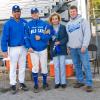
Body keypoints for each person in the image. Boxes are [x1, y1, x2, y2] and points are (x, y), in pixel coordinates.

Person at [1, 5, 28, 94]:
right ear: (12, 13)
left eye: (18, 11)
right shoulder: (8, 23)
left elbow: (28, 35)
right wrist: (4, 50)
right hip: (13, 48)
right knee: (13, 67)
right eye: (15, 11)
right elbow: (4, 37)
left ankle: (21, 82)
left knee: (22, 66)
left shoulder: (24, 22)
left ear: (20, 12)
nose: (17, 13)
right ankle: (13, 84)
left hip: (23, 47)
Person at [66, 5, 93, 92]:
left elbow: (87, 34)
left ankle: (89, 84)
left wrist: (84, 45)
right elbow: (68, 37)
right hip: (73, 49)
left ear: (76, 12)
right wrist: (68, 47)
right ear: (69, 13)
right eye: (71, 12)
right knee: (77, 66)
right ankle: (80, 81)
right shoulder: (68, 24)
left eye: (73, 11)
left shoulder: (82, 21)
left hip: (82, 48)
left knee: (86, 66)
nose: (72, 13)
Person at [25, 8, 52, 93]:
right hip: (33, 50)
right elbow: (26, 37)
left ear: (38, 13)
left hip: (43, 49)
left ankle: (44, 83)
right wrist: (28, 47)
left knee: (44, 66)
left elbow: (49, 35)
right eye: (33, 13)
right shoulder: (28, 25)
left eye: (36, 13)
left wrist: (41, 37)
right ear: (31, 15)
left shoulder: (44, 24)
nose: (35, 14)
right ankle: (36, 84)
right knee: (35, 67)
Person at [49, 13, 68, 89]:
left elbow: (66, 38)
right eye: (53, 19)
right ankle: (57, 82)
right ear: (51, 20)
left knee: (62, 65)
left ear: (58, 19)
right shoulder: (49, 28)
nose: (54, 20)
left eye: (56, 18)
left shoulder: (63, 27)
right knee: (56, 66)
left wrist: (60, 42)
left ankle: (63, 82)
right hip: (54, 49)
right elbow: (47, 38)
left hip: (62, 48)